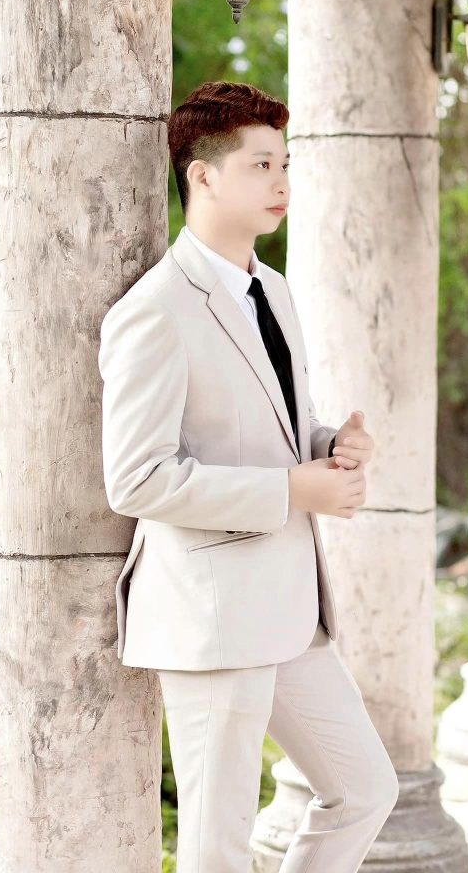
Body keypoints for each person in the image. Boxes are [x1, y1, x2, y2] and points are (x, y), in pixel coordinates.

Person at [98, 81, 399, 873]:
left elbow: (277, 427)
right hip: (212, 616)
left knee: (366, 790)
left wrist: (333, 445)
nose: (281, 182)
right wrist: (293, 492)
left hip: (289, 610)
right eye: (261, 164)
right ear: (202, 176)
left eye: (285, 165)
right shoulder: (155, 310)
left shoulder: (274, 289)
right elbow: (137, 479)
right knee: (218, 846)